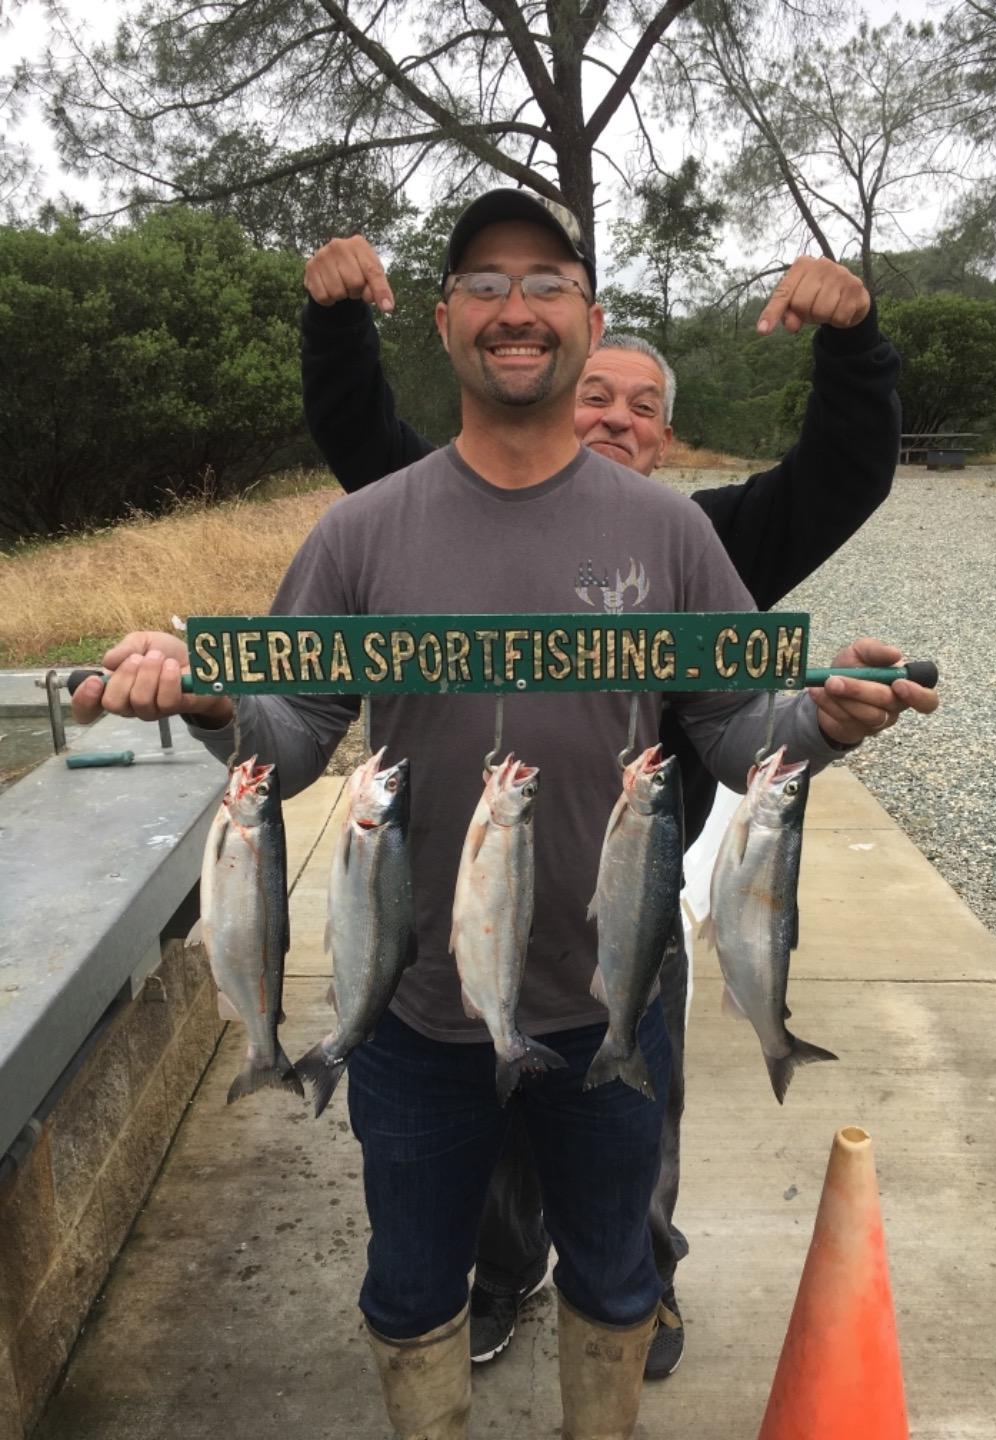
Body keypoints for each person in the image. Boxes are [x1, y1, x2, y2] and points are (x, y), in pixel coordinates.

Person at [73, 189, 937, 1440]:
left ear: (586, 319)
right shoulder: (362, 531)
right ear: (444, 321)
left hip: (610, 1009)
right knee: (413, 1283)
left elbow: (745, 730)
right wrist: (211, 704)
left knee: (618, 1275)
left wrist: (829, 722)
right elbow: (294, 739)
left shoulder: (671, 535)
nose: (515, 307)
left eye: (546, 282)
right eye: (484, 282)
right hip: (413, 1009)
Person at [298, 229, 907, 1377]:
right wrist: (335, 321)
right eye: (597, 396)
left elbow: (841, 473)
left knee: (628, 1141)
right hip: (447, 946)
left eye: (643, 407)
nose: (615, 418)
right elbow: (359, 437)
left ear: (666, 437)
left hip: (618, 919)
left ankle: (635, 1285)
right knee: (476, 1145)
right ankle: (500, 1271)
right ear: (556, 386)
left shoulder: (700, 535)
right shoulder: (422, 510)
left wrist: (855, 342)